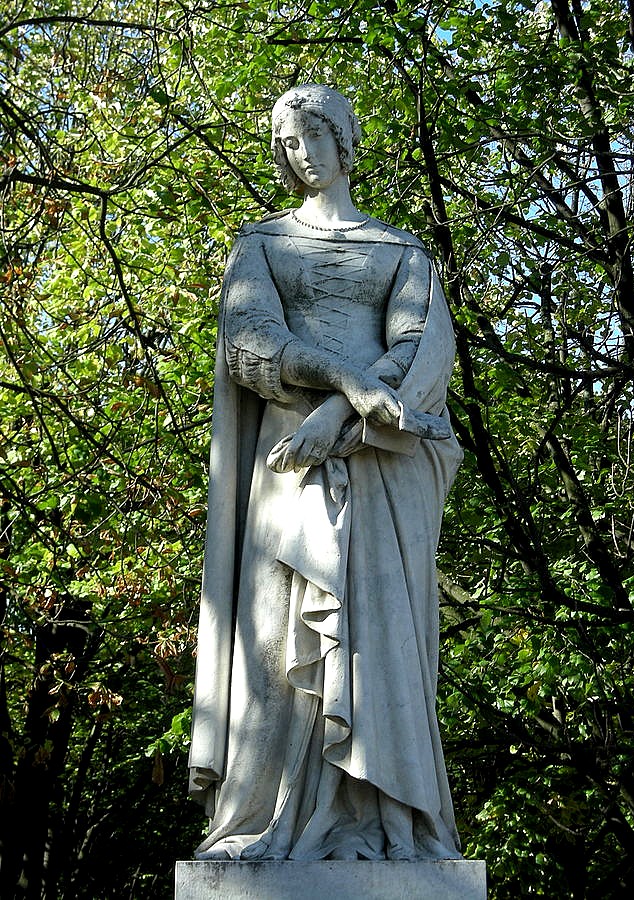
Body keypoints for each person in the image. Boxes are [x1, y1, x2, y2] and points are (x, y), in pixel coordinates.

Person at [188, 84, 464, 861]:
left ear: (345, 142)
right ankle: (267, 822)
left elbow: (420, 355)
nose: (303, 155)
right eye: (289, 143)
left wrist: (343, 418)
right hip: (286, 469)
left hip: (379, 468)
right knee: (278, 638)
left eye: (314, 136)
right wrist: (344, 385)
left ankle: (381, 822)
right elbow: (250, 344)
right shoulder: (261, 245)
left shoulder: (402, 251)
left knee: (377, 641)